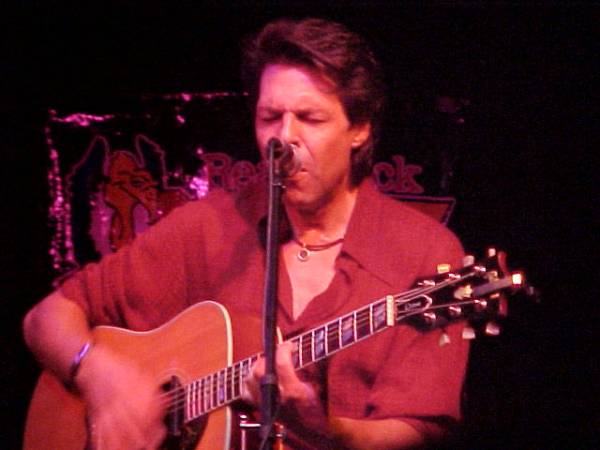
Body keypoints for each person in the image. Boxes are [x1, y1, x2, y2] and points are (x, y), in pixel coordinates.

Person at [23, 18, 469, 449]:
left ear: (359, 128)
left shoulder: (424, 253)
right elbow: (45, 319)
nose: (283, 139)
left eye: (310, 118)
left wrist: (327, 432)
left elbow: (419, 431)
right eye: (269, 117)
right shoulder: (211, 228)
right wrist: (102, 380)